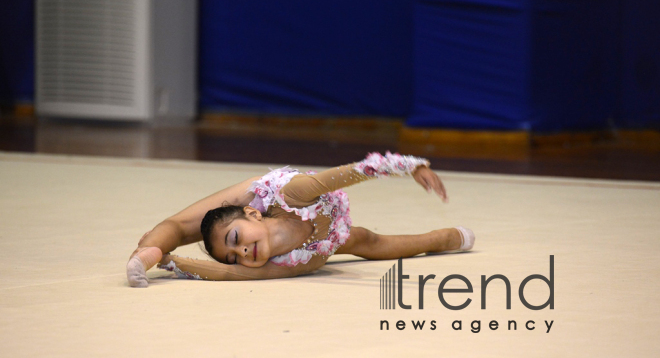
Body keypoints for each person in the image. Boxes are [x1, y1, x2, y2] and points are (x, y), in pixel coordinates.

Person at [126, 152, 475, 287]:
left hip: (300, 211)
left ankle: (443, 239)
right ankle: (143, 254)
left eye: (237, 243)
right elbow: (227, 270)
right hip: (312, 243)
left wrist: (409, 165)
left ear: (253, 213)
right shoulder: (266, 260)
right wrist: (165, 260)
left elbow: (353, 172)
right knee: (365, 241)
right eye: (235, 255)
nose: (242, 253)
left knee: (367, 240)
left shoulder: (292, 193)